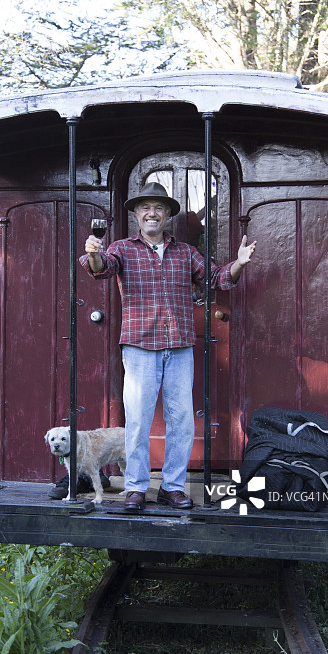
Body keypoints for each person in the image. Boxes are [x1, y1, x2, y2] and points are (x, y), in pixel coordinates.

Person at [79, 181, 256, 511]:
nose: (152, 213)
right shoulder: (121, 248)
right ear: (136, 214)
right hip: (139, 346)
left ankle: (172, 487)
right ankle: (136, 488)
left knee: (182, 421)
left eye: (158, 208)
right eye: (145, 207)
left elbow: (217, 278)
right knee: (138, 422)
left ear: (168, 215)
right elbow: (101, 269)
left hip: (179, 348)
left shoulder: (185, 252)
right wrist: (93, 253)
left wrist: (240, 262)